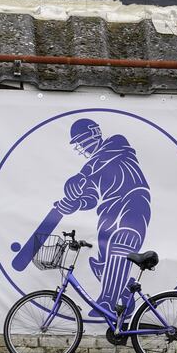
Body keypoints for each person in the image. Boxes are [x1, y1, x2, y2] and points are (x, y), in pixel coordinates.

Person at [54, 118, 151, 317]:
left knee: (121, 243)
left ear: (95, 133)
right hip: (108, 213)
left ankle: (107, 302)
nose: (81, 147)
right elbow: (90, 198)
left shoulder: (116, 143)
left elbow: (100, 159)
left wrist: (81, 175)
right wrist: (72, 202)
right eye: (78, 144)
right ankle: (126, 295)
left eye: (82, 141)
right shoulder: (93, 170)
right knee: (102, 264)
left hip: (133, 202)